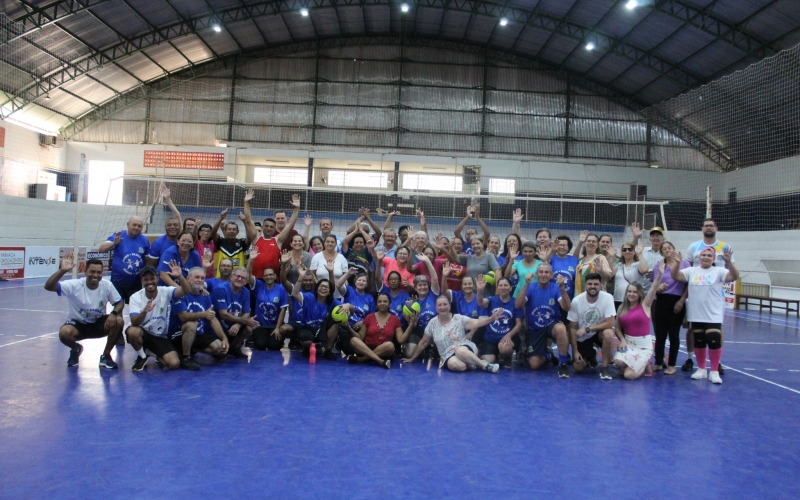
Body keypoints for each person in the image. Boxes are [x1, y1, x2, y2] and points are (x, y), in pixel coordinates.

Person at [668, 246, 738, 384]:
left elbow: (734, 276)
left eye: (709, 255)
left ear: (713, 258)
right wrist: (676, 263)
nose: (706, 257)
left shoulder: (719, 271)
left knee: (713, 338)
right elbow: (675, 276)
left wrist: (729, 263)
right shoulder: (692, 271)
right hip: (696, 313)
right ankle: (701, 369)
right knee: (698, 341)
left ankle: (714, 371)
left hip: (713, 313)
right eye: (703, 255)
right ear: (699, 257)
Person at [44, 254, 124, 369]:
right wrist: (62, 271)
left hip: (98, 324)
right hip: (78, 325)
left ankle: (106, 356)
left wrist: (113, 313)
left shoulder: (107, 285)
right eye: (92, 271)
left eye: (99, 272)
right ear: (85, 271)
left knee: (119, 321)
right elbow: (48, 286)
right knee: (64, 333)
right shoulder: (75, 285)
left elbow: (119, 302)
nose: (95, 275)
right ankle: (76, 349)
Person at [402, 295, 504, 373]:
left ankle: (485, 366)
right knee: (454, 365)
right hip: (447, 355)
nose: (442, 307)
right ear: (436, 308)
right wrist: (412, 358)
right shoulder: (432, 323)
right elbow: (423, 342)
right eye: (439, 305)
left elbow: (476, 322)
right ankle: (473, 364)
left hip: (464, 348)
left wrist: (492, 318)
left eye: (445, 304)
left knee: (459, 351)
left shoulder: (459, 318)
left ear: (449, 306)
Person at [682, 218, 733, 374]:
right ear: (702, 228)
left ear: (716, 228)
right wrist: (684, 296)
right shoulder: (694, 247)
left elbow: (730, 270)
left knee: (716, 328)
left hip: (714, 295)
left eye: (711, 225)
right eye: (706, 225)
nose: (709, 228)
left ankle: (716, 363)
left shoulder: (725, 247)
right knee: (692, 328)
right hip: (696, 294)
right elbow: (686, 271)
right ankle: (691, 358)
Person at [125, 263, 195, 371]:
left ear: (157, 278)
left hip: (160, 336)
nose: (149, 282)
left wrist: (180, 276)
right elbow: (134, 323)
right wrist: (144, 311)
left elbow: (186, 291)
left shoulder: (165, 291)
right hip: (143, 333)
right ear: (141, 281)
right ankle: (142, 357)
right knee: (133, 332)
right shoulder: (135, 297)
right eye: (146, 279)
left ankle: (149, 351)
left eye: (152, 278)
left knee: (174, 364)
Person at [515, 264, 572, 377]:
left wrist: (562, 288)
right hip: (535, 328)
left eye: (546, 272)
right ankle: (549, 355)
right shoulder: (531, 287)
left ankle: (563, 364)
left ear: (551, 275)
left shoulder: (555, 287)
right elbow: (518, 305)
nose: (543, 275)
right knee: (534, 365)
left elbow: (567, 308)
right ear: (537, 274)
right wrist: (526, 284)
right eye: (541, 272)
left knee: (561, 328)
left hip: (551, 324)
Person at [612, 262, 665, 380]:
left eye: (635, 292)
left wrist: (660, 275)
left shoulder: (645, 305)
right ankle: (635, 364)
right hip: (628, 343)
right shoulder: (622, 307)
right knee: (617, 362)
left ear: (640, 293)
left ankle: (646, 363)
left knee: (628, 375)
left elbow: (653, 288)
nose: (631, 294)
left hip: (643, 346)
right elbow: (618, 328)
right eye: (629, 291)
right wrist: (622, 340)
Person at [171, 267, 229, 365]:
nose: (200, 280)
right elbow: (183, 317)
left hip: (198, 334)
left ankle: (193, 349)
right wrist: (203, 314)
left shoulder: (205, 295)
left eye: (202, 278)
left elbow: (212, 318)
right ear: (188, 279)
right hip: (179, 334)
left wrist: (224, 338)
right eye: (197, 277)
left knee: (220, 350)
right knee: (191, 324)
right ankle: (186, 357)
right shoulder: (180, 293)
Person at [343, 293, 417, 369]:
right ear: (376, 304)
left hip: (384, 351)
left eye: (385, 301)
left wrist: (411, 325)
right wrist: (349, 328)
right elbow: (360, 337)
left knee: (390, 345)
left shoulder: (395, 319)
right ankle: (380, 361)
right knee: (353, 340)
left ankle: (362, 359)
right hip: (367, 348)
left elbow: (401, 340)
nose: (382, 303)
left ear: (389, 304)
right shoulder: (369, 317)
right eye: (380, 301)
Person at [568, 273, 616, 380]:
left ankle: (604, 367)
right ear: (585, 285)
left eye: (596, 284)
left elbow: (610, 323)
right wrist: (575, 351)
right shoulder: (576, 301)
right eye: (590, 284)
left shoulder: (608, 298)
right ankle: (591, 354)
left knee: (608, 333)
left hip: (598, 333)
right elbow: (572, 327)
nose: (592, 286)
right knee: (578, 368)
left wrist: (588, 329)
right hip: (583, 337)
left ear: (600, 285)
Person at [651, 242, 688, 375]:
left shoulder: (685, 264)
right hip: (662, 301)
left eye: (669, 248)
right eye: (664, 249)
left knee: (674, 334)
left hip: (677, 301)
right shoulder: (659, 265)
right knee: (660, 334)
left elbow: (689, 285)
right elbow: (655, 284)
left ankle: (672, 364)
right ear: (661, 253)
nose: (667, 250)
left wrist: (682, 300)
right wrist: (658, 288)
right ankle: (659, 362)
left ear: (674, 249)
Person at [246, 247, 290, 351]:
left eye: (271, 275)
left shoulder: (280, 289)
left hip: (274, 325)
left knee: (274, 347)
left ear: (275, 276)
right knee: (260, 345)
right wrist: (251, 260)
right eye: (266, 275)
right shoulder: (258, 286)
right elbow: (248, 275)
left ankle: (278, 337)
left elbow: (283, 310)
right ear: (263, 277)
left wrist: (278, 328)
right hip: (260, 325)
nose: (268, 277)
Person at [99, 216, 150, 304]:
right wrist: (114, 243)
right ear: (128, 225)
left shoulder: (145, 240)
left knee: (136, 309)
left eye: (139, 226)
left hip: (135, 283)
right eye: (134, 225)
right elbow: (102, 249)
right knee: (118, 309)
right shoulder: (118, 235)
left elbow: (147, 261)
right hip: (117, 282)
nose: (136, 228)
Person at [250, 193, 300, 279]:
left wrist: (296, 208)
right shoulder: (266, 236)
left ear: (286, 219)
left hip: (282, 268)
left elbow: (291, 224)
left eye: (282, 218)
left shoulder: (289, 234)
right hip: (259, 274)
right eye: (278, 218)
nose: (280, 220)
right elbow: (248, 222)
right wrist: (246, 204)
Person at [212, 267, 259, 359]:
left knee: (249, 329)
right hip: (217, 327)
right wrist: (244, 321)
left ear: (246, 282)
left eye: (243, 278)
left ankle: (234, 348)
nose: (240, 279)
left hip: (233, 327)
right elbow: (223, 314)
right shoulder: (221, 289)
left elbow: (246, 313)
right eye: (237, 276)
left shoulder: (246, 292)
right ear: (231, 277)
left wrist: (238, 324)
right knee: (220, 354)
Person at [290, 275, 342, 358]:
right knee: (306, 339)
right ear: (316, 289)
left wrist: (348, 306)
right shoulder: (309, 297)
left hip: (322, 329)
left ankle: (328, 350)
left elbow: (351, 308)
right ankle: (309, 347)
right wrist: (300, 278)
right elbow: (295, 294)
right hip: (307, 328)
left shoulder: (332, 302)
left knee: (336, 322)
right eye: (321, 286)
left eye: (326, 287)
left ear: (329, 292)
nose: (323, 288)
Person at [476, 275, 523, 366]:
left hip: (507, 337)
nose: (503, 288)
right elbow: (480, 303)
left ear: (510, 288)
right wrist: (480, 290)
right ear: (497, 288)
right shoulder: (491, 300)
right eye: (500, 285)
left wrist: (509, 335)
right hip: (491, 338)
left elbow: (519, 324)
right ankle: (496, 355)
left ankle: (506, 356)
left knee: (504, 348)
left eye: (505, 285)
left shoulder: (516, 302)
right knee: (488, 361)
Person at [333, 267, 376, 360]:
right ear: (355, 282)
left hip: (362, 329)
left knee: (361, 348)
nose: (361, 282)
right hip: (346, 326)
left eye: (364, 281)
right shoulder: (349, 290)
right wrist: (348, 273)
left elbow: (372, 316)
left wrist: (363, 323)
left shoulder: (370, 298)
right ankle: (339, 342)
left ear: (367, 284)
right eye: (359, 280)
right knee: (348, 349)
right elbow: (338, 285)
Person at [213, 191, 259, 275]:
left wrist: (245, 222)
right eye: (229, 229)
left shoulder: (241, 242)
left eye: (234, 229)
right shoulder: (221, 242)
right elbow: (213, 233)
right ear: (225, 231)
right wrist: (220, 218)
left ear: (237, 232)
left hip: (238, 278)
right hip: (221, 278)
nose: (231, 231)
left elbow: (250, 237)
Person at [403, 274, 441, 358]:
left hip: (434, 333)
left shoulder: (433, 295)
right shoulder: (412, 304)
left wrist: (426, 260)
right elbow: (414, 325)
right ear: (415, 288)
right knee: (409, 354)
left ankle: (429, 347)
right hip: (419, 333)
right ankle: (424, 348)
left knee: (440, 354)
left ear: (429, 286)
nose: (422, 287)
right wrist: (411, 322)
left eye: (425, 285)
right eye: (420, 285)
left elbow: (435, 278)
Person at [145, 185, 183, 266]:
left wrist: (168, 199)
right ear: (165, 227)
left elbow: (178, 215)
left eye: (175, 225)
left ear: (179, 227)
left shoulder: (184, 240)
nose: (172, 227)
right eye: (169, 225)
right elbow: (152, 265)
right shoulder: (158, 243)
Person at [609, 242, 648, 310]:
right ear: (622, 252)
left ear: (634, 252)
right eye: (624, 250)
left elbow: (644, 270)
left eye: (630, 249)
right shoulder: (619, 265)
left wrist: (639, 254)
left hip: (634, 300)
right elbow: (609, 274)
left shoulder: (638, 264)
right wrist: (611, 257)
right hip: (618, 299)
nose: (627, 251)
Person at [550, 235, 579, 321]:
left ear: (568, 247)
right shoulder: (551, 258)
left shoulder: (575, 260)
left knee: (568, 322)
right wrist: (552, 249)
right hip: (553, 297)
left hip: (569, 297)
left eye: (564, 245)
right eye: (559, 245)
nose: (562, 247)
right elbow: (544, 262)